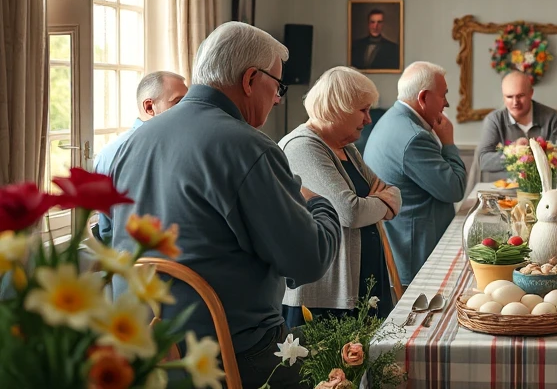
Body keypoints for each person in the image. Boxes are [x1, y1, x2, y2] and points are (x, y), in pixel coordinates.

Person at [107, 22, 341, 388]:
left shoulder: (130, 144)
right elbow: (308, 261)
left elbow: (112, 238)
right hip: (233, 359)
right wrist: (320, 204)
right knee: (336, 366)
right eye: (277, 86)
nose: (278, 98)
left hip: (145, 356)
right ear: (250, 79)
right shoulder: (249, 147)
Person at [279, 67, 402, 327]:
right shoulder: (303, 146)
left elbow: (393, 193)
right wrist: (380, 202)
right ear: (339, 107)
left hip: (362, 280)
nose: (369, 120)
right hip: (328, 293)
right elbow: (349, 212)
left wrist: (377, 201)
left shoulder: (346, 147)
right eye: (363, 110)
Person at [363, 61, 467, 286]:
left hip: (406, 244)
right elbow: (455, 188)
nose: (446, 103)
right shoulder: (414, 137)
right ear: (423, 98)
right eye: (443, 95)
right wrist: (448, 142)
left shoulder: (394, 119)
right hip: (415, 256)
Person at [95, 70, 188, 242]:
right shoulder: (179, 151)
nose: (188, 110)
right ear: (149, 107)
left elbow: (106, 231)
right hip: (170, 261)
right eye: (179, 102)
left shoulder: (106, 154)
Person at [476, 71, 557, 173]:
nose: (515, 102)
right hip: (503, 187)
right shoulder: (494, 120)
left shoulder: (551, 117)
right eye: (509, 97)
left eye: (520, 96)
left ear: (531, 93)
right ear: (503, 97)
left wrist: (530, 153)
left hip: (543, 187)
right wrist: (513, 152)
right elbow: (483, 161)